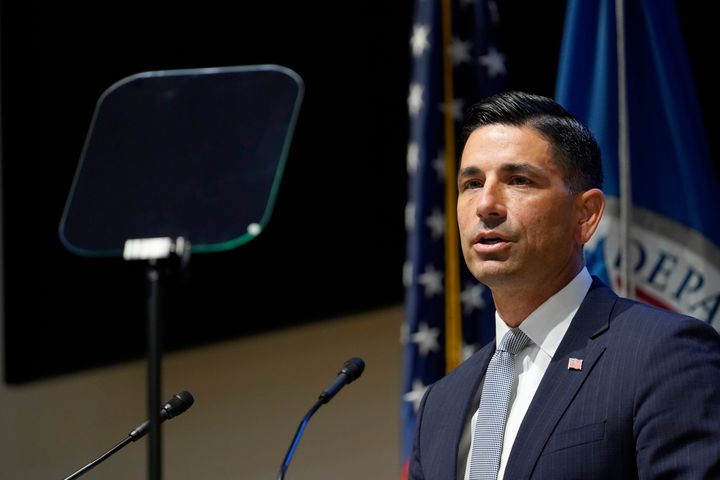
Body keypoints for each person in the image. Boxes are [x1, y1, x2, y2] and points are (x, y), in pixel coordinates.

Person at [408, 90, 720, 479]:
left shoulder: (664, 356)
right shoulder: (440, 405)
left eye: (518, 180)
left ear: (585, 215)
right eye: (471, 183)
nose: (486, 204)